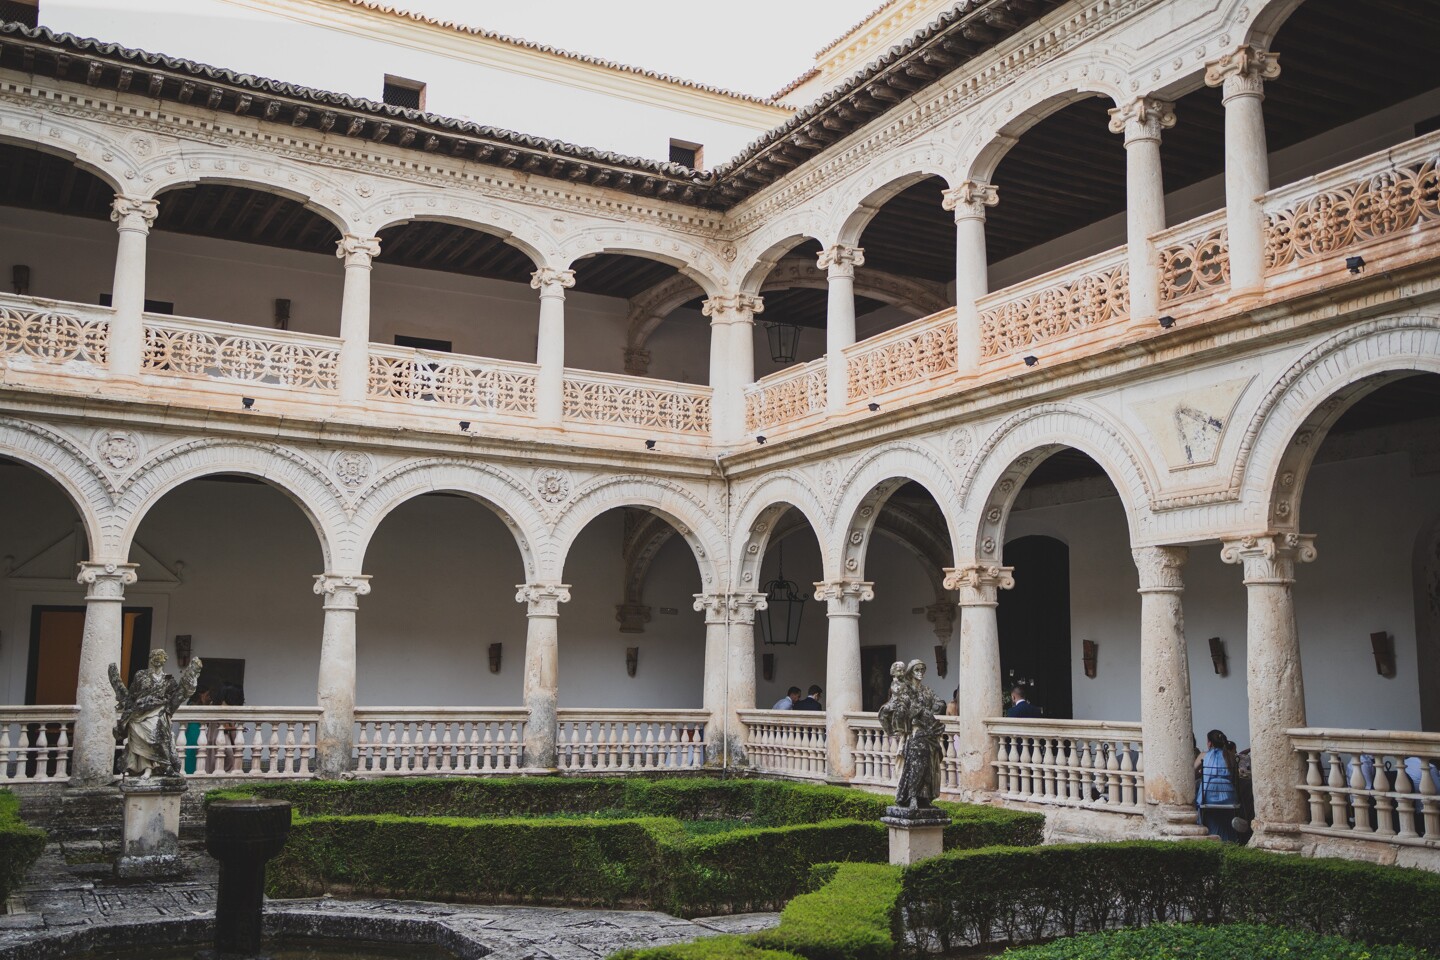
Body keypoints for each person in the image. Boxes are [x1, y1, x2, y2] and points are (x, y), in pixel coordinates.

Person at [1194, 728, 1242, 842]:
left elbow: (1192, 771)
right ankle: (1229, 839)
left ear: (1209, 743)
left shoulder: (1203, 755)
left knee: (1197, 788)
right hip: (1229, 796)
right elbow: (1235, 777)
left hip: (1209, 796)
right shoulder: (1230, 756)